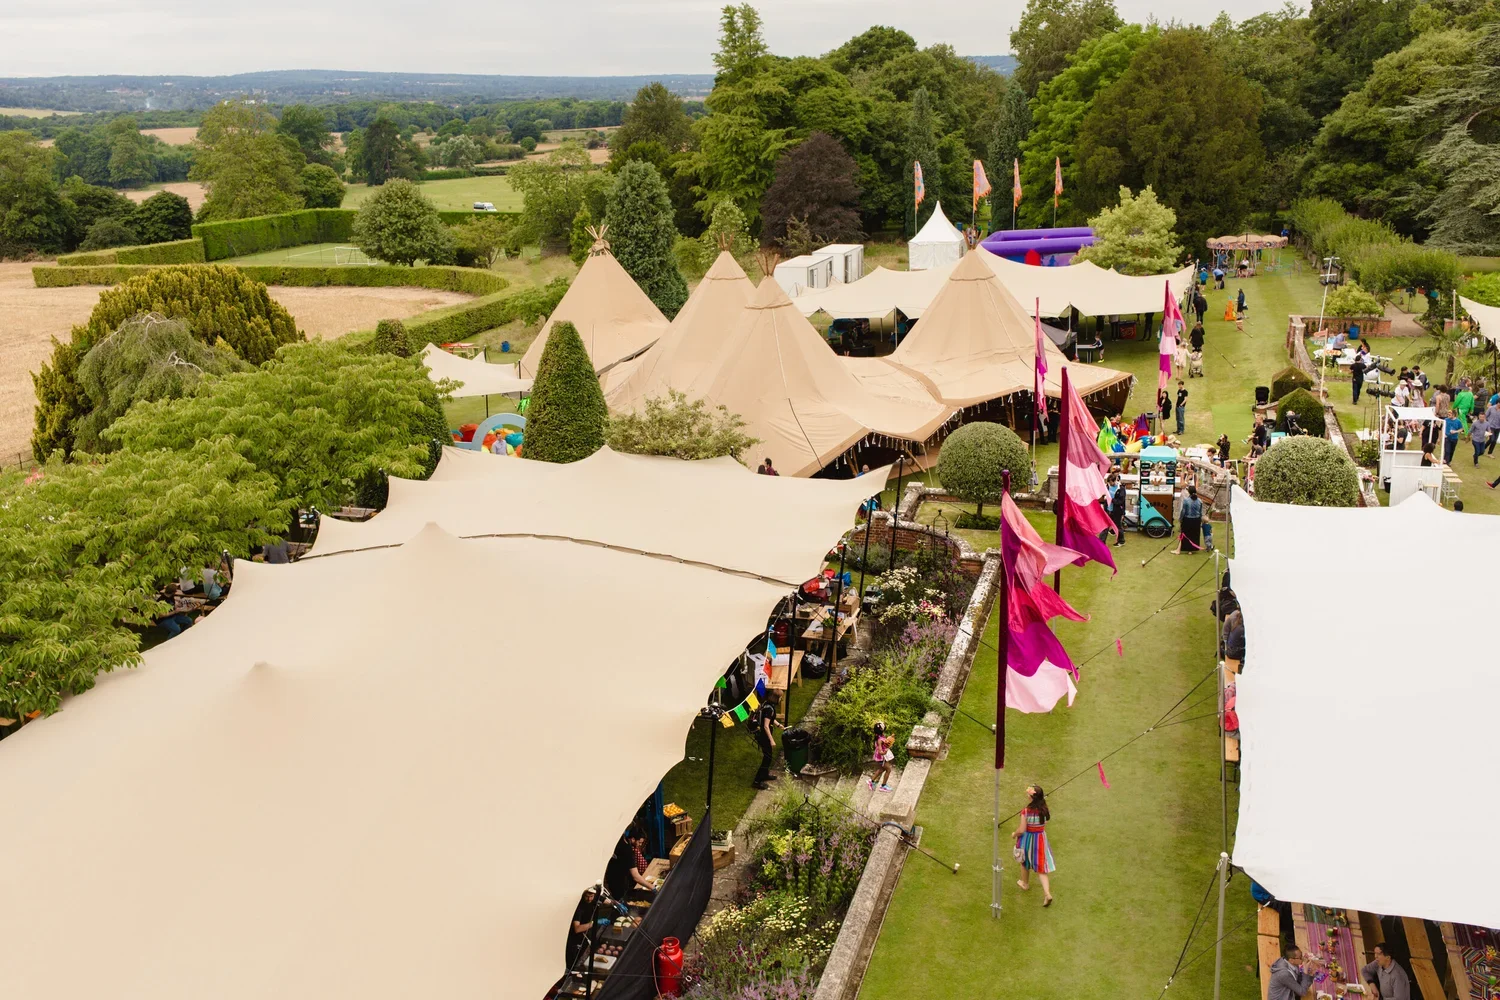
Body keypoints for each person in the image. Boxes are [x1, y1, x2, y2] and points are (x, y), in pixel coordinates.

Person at [1012, 784, 1056, 906]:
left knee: (1024, 861)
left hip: (1028, 839)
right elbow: (1046, 820)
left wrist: (1014, 834)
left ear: (1032, 798)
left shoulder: (1026, 812)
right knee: (1041, 868)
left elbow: (1021, 829)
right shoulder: (1044, 809)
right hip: (1041, 839)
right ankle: (1047, 894)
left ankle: (1025, 884)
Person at [752, 691, 783, 790]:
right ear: (776, 698)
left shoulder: (767, 704)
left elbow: (770, 719)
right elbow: (766, 726)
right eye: (780, 697)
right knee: (767, 758)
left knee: (768, 756)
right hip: (763, 736)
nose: (781, 699)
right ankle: (757, 781)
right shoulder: (770, 709)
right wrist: (772, 740)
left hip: (762, 734)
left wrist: (778, 725)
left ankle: (765, 775)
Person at [566, 887, 598, 969]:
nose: (589, 899)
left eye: (591, 896)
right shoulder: (579, 909)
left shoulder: (593, 900)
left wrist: (616, 903)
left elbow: (606, 900)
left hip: (586, 935)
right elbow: (577, 929)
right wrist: (594, 923)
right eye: (587, 896)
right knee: (575, 961)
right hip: (576, 939)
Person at [1175, 485, 1205, 554]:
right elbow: (1200, 512)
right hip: (1196, 520)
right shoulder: (1200, 501)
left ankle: (1179, 550)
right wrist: (1200, 520)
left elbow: (1183, 511)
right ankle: (1190, 550)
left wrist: (1180, 519)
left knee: (1185, 534)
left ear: (1189, 492)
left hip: (1188, 519)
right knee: (1194, 535)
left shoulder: (1186, 500)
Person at [868, 721, 895, 791]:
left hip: (881, 757)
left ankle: (871, 781)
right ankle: (883, 786)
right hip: (881, 758)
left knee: (881, 769)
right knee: (888, 770)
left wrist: (889, 739)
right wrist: (884, 752)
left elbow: (885, 742)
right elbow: (880, 752)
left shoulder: (880, 736)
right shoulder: (879, 739)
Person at [1109, 473, 1128, 545]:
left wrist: (1112, 500)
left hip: (1118, 510)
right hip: (1111, 509)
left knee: (1118, 525)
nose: (1110, 484)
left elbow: (1120, 501)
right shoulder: (1109, 487)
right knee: (1114, 524)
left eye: (1110, 482)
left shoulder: (1121, 489)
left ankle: (1121, 541)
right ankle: (1114, 532)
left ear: (1114, 481)